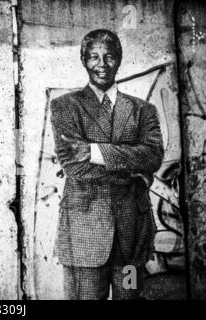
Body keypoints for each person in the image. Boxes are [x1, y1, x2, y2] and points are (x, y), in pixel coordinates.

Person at [50, 29, 164, 300]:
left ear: (119, 59)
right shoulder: (65, 107)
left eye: (109, 56)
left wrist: (93, 151)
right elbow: (73, 165)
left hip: (131, 237)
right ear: (83, 60)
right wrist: (133, 170)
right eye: (94, 57)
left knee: (130, 297)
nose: (102, 64)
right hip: (85, 236)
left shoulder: (142, 110)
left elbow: (153, 157)